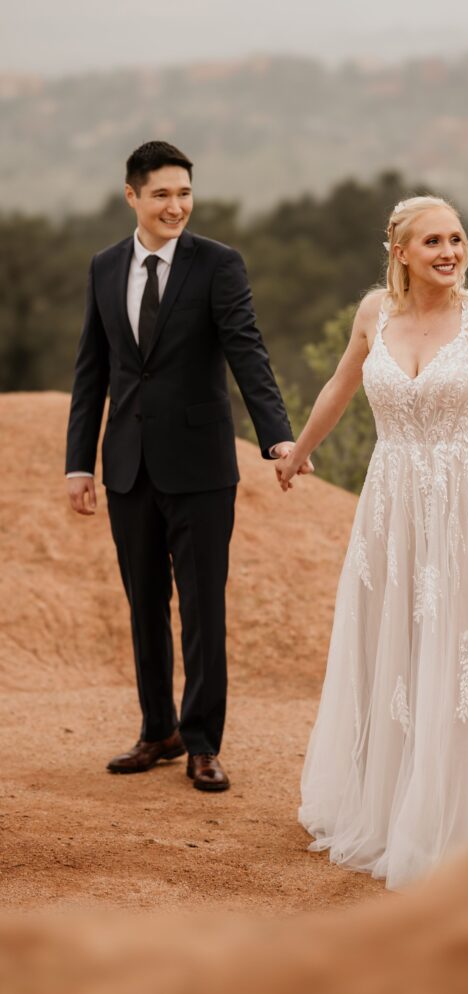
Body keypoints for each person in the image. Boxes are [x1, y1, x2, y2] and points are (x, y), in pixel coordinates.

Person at [277, 195, 468, 889]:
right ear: (401, 252)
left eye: (456, 238)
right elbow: (339, 385)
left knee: (466, 648)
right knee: (397, 646)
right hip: (391, 508)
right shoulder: (371, 314)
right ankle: (391, 805)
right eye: (433, 241)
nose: (449, 251)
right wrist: (299, 450)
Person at [65, 141, 309, 791]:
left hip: (201, 468)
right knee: (144, 605)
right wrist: (78, 464)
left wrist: (279, 438)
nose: (176, 207)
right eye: (162, 195)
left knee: (202, 609)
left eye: (184, 194)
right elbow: (93, 370)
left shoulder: (218, 265)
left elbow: (246, 352)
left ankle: (202, 742)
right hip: (126, 468)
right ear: (132, 197)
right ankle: (158, 731)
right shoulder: (104, 267)